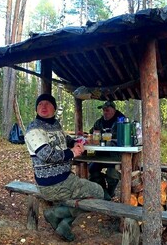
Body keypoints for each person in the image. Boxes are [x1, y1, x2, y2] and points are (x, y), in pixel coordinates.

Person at [24, 94, 105, 242]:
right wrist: (72, 152)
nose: (43, 106)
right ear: (36, 108)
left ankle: (64, 223)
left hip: (64, 179)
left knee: (89, 188)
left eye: (48, 104)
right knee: (98, 192)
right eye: (40, 104)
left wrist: (75, 141)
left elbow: (64, 139)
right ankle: (58, 214)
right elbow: (46, 155)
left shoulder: (54, 124)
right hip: (53, 184)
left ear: (54, 108)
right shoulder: (34, 129)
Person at [88, 101, 125, 198]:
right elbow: (92, 132)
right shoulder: (99, 122)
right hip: (101, 154)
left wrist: (106, 137)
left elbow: (123, 137)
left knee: (111, 173)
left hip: (116, 155)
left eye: (107, 110)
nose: (105, 112)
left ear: (114, 110)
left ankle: (110, 192)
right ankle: (103, 192)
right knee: (92, 169)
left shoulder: (121, 121)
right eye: (103, 110)